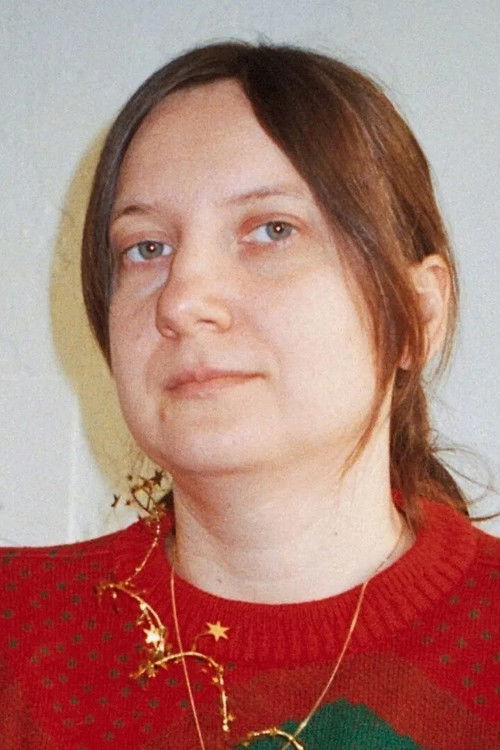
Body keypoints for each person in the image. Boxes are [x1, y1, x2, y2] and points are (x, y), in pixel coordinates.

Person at [1, 42, 498, 750]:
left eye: (272, 230)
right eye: (146, 247)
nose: (183, 301)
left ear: (416, 315)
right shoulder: (15, 636)